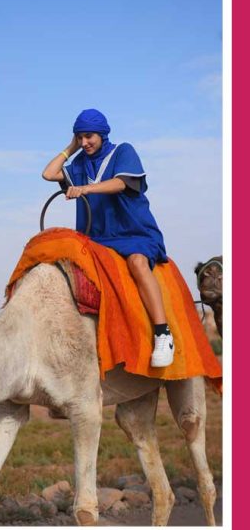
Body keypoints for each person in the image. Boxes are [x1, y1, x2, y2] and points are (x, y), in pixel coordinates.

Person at [42, 108, 174, 368]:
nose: (85, 143)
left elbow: (121, 183)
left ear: (102, 134)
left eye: (89, 136)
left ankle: (162, 333)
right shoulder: (79, 162)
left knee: (137, 263)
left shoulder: (123, 151)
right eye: (80, 137)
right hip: (96, 239)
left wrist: (86, 188)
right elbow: (48, 173)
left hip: (133, 232)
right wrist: (70, 147)